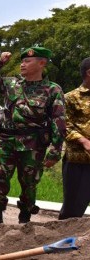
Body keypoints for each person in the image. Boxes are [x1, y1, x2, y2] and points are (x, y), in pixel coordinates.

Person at [0, 47, 66, 228]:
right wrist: (0, 63)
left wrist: (55, 150)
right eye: (22, 61)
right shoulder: (11, 84)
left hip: (33, 144)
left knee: (29, 182)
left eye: (28, 61)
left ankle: (25, 216)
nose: (22, 64)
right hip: (6, 141)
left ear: (42, 63)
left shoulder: (52, 90)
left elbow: (58, 120)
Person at [59, 57, 90, 220]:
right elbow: (64, 125)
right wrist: (84, 141)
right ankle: (64, 242)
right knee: (73, 209)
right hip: (79, 160)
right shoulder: (70, 97)